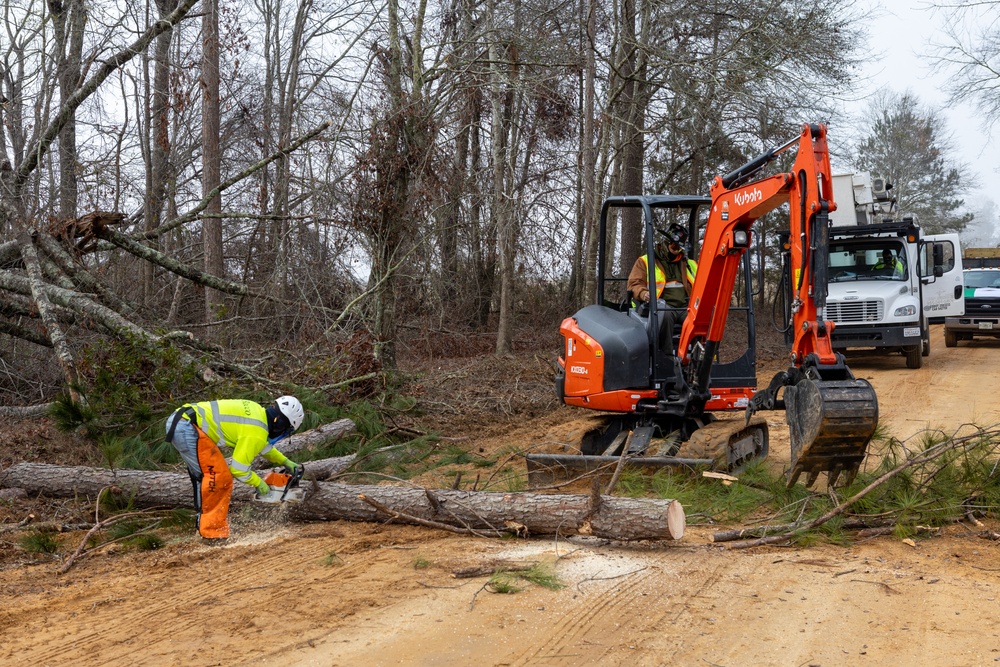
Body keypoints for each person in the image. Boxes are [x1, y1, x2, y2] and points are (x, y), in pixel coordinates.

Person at [164, 396, 305, 539]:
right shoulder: (257, 431)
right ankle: (210, 533)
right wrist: (259, 484)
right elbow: (239, 470)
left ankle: (203, 529)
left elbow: (263, 446)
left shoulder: (257, 413)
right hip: (187, 427)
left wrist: (285, 461)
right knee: (217, 478)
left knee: (204, 477)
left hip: (183, 421)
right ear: (280, 423)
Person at [627, 222, 698, 352]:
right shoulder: (645, 261)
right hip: (658, 306)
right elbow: (634, 284)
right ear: (665, 242)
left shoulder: (689, 264)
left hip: (684, 307)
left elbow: (701, 285)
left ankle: (697, 359)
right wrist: (644, 294)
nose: (676, 249)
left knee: (700, 319)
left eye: (679, 248)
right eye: (673, 245)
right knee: (663, 315)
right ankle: (666, 358)